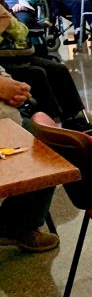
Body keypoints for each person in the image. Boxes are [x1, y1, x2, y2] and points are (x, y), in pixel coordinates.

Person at [0, 69, 58, 252]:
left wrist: (15, 89)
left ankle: (16, 224)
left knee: (52, 149)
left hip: (10, 119)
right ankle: (18, 226)